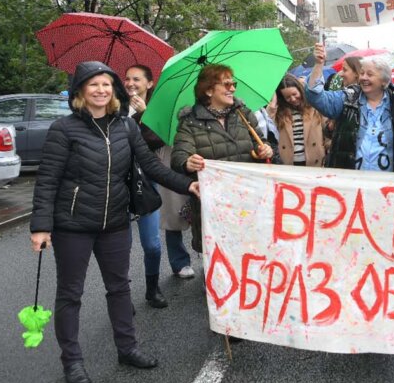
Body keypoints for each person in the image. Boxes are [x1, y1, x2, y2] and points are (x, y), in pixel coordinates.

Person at [30, 61, 199, 383]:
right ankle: (73, 361)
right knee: (70, 294)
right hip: (73, 226)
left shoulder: (126, 127)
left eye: (106, 84)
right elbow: (47, 181)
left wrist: (186, 184)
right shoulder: (63, 130)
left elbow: (151, 165)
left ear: (114, 90)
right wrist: (40, 226)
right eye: (93, 84)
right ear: (80, 90)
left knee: (120, 287)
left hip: (116, 223)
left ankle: (127, 348)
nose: (100, 90)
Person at [171, 64, 278, 254]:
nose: (233, 88)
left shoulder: (243, 114)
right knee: (219, 260)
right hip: (214, 208)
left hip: (248, 201)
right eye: (227, 84)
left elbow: (260, 143)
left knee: (252, 255)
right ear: (209, 90)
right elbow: (179, 156)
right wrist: (187, 162)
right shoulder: (190, 121)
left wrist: (265, 150)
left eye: (233, 83)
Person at [124, 65, 196, 284]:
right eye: (127, 78)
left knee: (173, 211)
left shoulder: (160, 105)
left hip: (157, 165)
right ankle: (119, 271)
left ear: (149, 83)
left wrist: (144, 114)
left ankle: (179, 261)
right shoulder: (116, 106)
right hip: (126, 172)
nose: (131, 83)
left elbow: (158, 138)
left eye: (136, 79)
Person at [306, 43, 394, 172]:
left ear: (384, 80)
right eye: (362, 73)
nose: (363, 77)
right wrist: (319, 64)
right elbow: (315, 96)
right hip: (350, 181)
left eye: (370, 74)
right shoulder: (348, 98)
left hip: (386, 183)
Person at [273, 74, 327, 167]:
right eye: (288, 97)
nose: (293, 99)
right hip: (289, 163)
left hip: (315, 162)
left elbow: (327, 133)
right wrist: (272, 108)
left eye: (294, 94)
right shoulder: (279, 113)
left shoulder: (314, 107)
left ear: (300, 90)